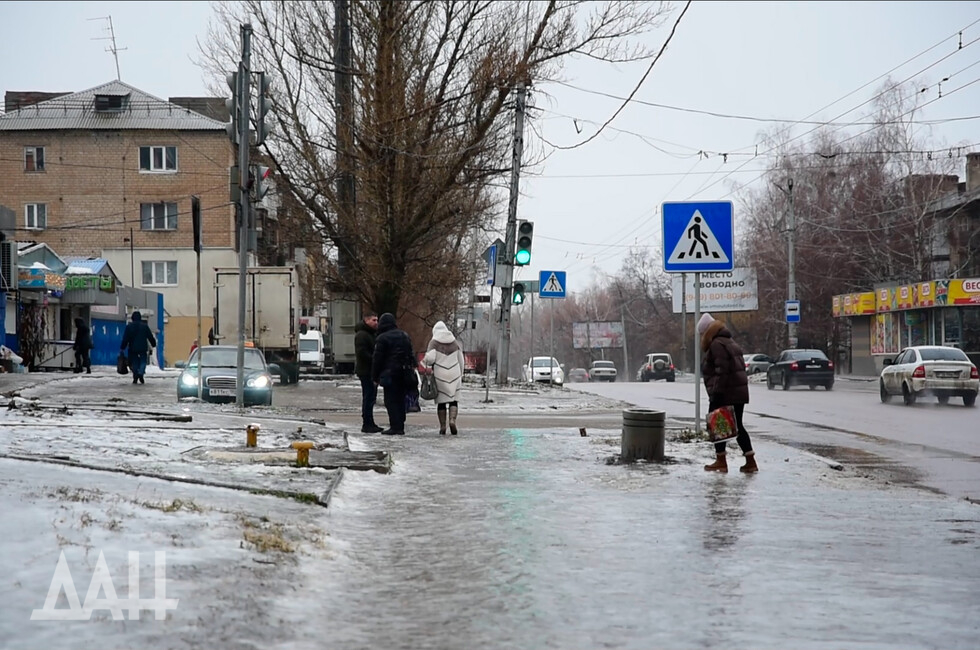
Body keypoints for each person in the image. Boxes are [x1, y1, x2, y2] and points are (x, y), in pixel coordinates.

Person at [699, 313, 758, 473]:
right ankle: (750, 461)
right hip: (737, 392)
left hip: (725, 392)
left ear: (707, 332)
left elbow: (722, 370)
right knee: (737, 426)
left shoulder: (716, 344)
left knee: (717, 424)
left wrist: (716, 393)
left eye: (701, 334)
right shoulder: (729, 341)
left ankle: (721, 461)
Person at [371, 312, 415, 436]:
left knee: (391, 400)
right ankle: (400, 424)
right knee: (400, 400)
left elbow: (377, 359)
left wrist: (375, 376)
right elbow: (411, 353)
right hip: (404, 372)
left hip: (389, 373)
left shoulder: (382, 338)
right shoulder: (404, 335)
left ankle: (395, 426)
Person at [423, 320, 464, 435]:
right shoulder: (454, 342)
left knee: (441, 402)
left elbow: (430, 359)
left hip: (440, 375)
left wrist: (425, 360)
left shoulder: (434, 343)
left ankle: (442, 426)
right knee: (453, 400)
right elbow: (461, 360)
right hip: (454, 373)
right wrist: (460, 374)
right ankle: (452, 420)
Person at [354, 312, 383, 433]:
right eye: (373, 320)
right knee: (368, 397)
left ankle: (370, 422)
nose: (376, 323)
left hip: (370, 370)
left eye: (377, 320)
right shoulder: (362, 335)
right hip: (366, 371)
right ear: (366, 321)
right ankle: (367, 423)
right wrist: (375, 360)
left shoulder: (371, 334)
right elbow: (362, 353)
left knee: (371, 397)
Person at [120, 311, 157, 385]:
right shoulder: (144, 326)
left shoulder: (129, 327)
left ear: (132, 318)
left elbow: (125, 338)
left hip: (133, 348)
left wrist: (122, 347)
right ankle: (141, 373)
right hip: (143, 347)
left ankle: (136, 376)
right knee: (143, 361)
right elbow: (150, 336)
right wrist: (153, 344)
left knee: (135, 362)